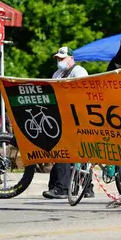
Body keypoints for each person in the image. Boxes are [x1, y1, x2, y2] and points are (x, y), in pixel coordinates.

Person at [43, 47, 91, 199]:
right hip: (62, 116)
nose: (60, 61)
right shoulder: (56, 74)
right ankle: (61, 185)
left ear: (71, 58)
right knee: (67, 150)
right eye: (58, 59)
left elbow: (83, 92)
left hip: (79, 115)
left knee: (70, 150)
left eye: (62, 58)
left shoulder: (79, 71)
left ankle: (65, 187)